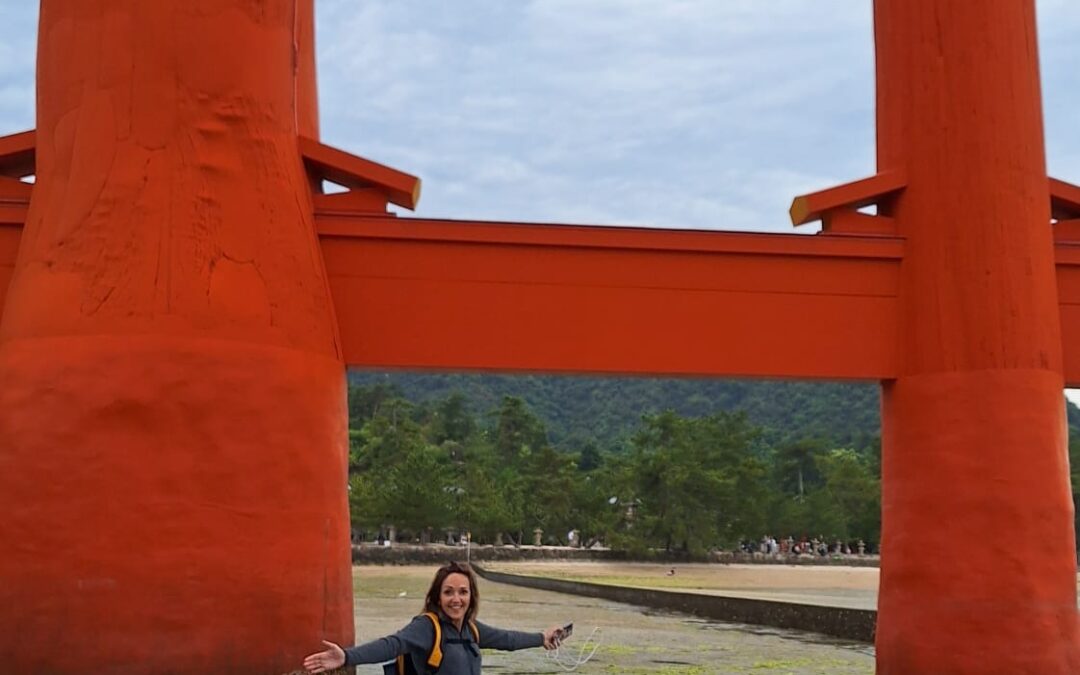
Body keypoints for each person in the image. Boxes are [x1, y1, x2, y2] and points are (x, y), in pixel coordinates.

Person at [302, 561, 563, 674]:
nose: (456, 599)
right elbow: (392, 644)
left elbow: (507, 639)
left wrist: (542, 638)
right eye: (448, 592)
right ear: (437, 598)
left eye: (463, 592)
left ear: (472, 597)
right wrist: (347, 656)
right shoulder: (427, 627)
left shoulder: (471, 630)